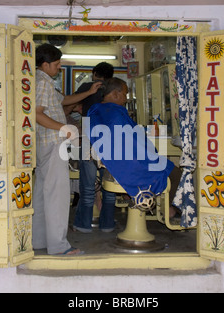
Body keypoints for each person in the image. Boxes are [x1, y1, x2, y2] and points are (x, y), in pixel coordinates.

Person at [32, 43, 102, 255]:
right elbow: (37, 113)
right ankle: (59, 247)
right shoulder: (43, 83)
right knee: (58, 196)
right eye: (57, 64)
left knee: (43, 194)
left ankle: (38, 240)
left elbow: (65, 101)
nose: (59, 67)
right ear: (45, 64)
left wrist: (89, 91)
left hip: (45, 144)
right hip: (53, 143)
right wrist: (64, 127)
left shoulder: (43, 81)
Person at [86, 77, 181, 216]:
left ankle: (137, 197)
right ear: (115, 94)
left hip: (112, 164)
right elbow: (135, 141)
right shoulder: (116, 113)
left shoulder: (94, 111)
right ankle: (168, 210)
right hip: (128, 164)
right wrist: (151, 151)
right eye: (124, 94)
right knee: (175, 172)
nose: (125, 99)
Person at [72, 62, 117, 233]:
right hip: (111, 138)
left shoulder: (86, 86)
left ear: (94, 73)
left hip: (88, 136)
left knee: (88, 186)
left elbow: (70, 104)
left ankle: (83, 225)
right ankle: (107, 224)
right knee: (109, 183)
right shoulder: (115, 88)